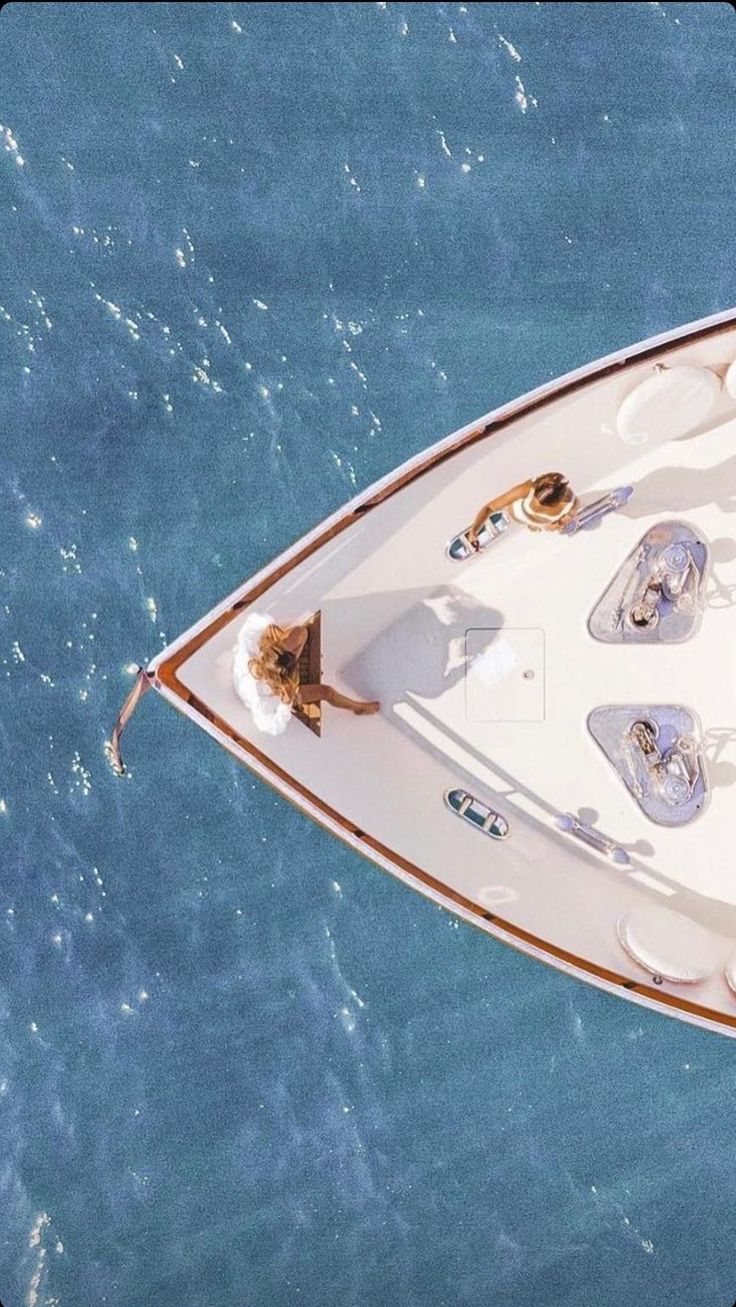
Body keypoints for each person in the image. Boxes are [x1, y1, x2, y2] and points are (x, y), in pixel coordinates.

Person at [233, 612, 379, 735]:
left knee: (301, 633)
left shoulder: (250, 648)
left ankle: (291, 665)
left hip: (272, 668)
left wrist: (268, 625)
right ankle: (358, 708)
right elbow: (271, 727)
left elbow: (252, 621)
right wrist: (285, 704)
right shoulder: (261, 699)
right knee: (326, 692)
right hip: (278, 695)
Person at [466, 472, 580, 550]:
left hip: (540, 522)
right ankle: (532, 524)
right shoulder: (526, 489)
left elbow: (565, 519)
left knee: (552, 528)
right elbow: (489, 508)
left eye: (541, 505)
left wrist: (555, 525)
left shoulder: (571, 505)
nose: (535, 505)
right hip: (519, 514)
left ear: (557, 502)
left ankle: (533, 525)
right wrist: (474, 530)